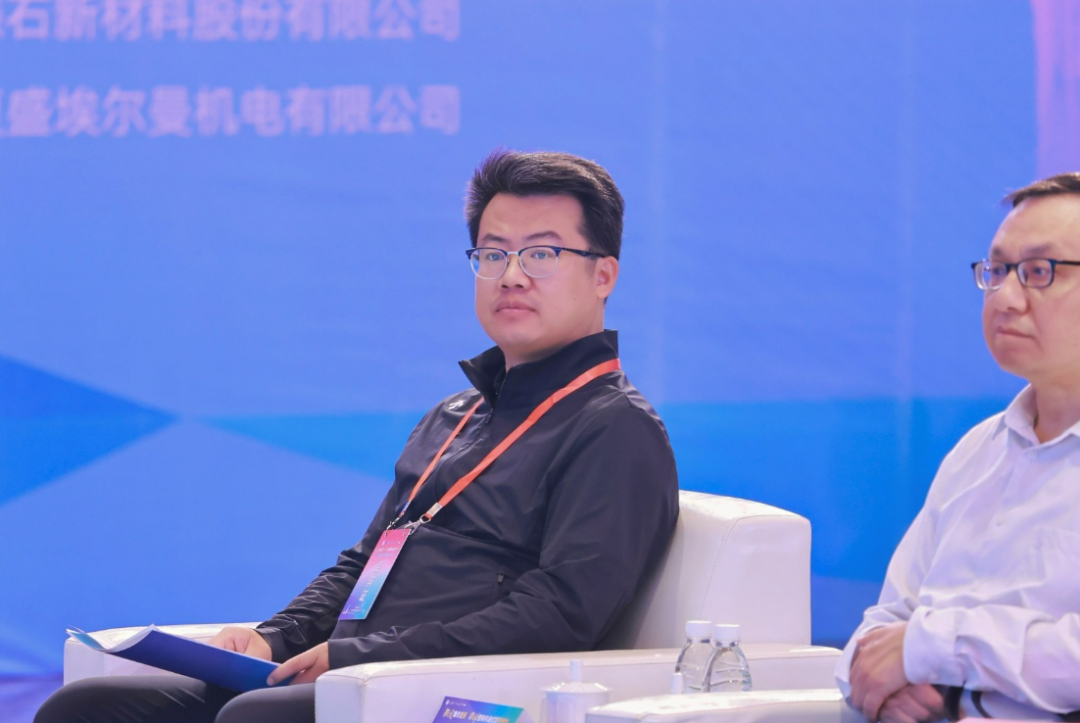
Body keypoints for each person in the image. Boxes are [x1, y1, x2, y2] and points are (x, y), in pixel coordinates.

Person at [36, 150, 680, 723]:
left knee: (256, 717)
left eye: (542, 253)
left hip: (451, 694)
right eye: (493, 254)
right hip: (357, 676)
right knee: (87, 708)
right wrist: (274, 637)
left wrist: (361, 658)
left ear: (603, 275)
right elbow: (368, 562)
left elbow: (560, 614)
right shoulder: (456, 413)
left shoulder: (614, 428)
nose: (512, 275)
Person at [837, 173, 1080, 723]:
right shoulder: (977, 451)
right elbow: (883, 626)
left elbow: (912, 641)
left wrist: (932, 648)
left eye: (1039, 272)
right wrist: (879, 680)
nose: (1006, 298)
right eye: (997, 271)